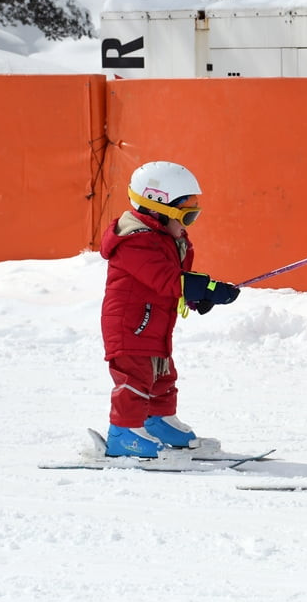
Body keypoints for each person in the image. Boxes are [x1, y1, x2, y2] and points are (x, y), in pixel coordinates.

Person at [99, 161, 241, 457]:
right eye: (187, 216)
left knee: (162, 377)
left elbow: (174, 282)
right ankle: (123, 433)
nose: (189, 224)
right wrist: (209, 288)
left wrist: (197, 297)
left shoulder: (170, 240)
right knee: (135, 380)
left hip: (154, 324)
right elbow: (165, 279)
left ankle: (157, 421)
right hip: (130, 326)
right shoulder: (135, 242)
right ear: (156, 208)